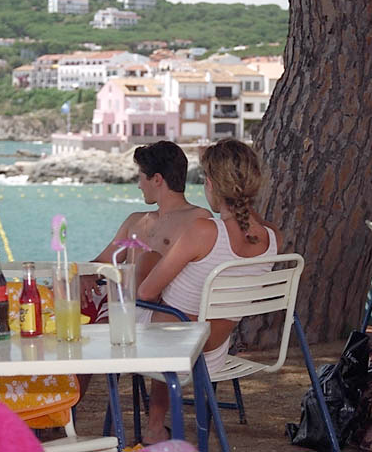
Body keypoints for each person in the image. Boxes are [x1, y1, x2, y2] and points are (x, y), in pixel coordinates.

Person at [136, 138, 283, 445]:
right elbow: (250, 225)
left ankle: (154, 426)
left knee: (149, 264)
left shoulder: (204, 231)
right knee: (177, 310)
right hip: (214, 351)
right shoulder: (273, 238)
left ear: (212, 184)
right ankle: (156, 427)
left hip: (173, 348)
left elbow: (146, 292)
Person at [81, 140, 211, 321]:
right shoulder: (135, 221)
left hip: (163, 314)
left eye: (140, 177)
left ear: (156, 179)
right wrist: (86, 275)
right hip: (122, 307)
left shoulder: (199, 220)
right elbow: (103, 262)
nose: (139, 185)